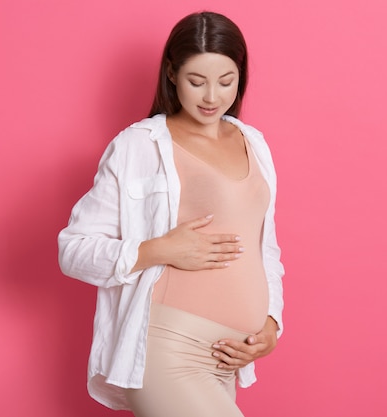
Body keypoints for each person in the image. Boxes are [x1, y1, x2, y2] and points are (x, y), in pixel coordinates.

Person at [58, 11, 284, 417]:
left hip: (227, 362)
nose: (211, 96)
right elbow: (73, 250)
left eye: (226, 81)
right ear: (172, 74)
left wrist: (270, 325)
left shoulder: (255, 143)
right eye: (196, 81)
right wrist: (159, 249)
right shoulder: (138, 146)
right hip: (168, 349)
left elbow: (264, 250)